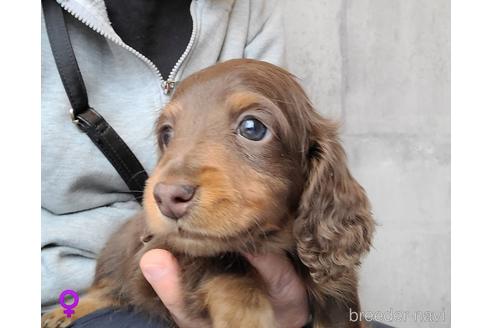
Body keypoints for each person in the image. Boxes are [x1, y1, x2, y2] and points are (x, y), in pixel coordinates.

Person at [41, 0, 311, 327]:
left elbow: (278, 186)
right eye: (167, 134)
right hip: (66, 288)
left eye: (251, 128)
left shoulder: (250, 9)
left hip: (248, 265)